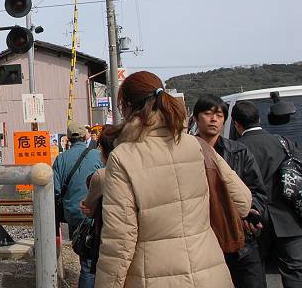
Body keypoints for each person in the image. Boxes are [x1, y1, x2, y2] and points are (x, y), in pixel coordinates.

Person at [95, 71, 252, 288]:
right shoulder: (196, 145)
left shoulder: (123, 158)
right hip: (210, 273)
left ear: (127, 107)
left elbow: (119, 240)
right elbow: (243, 202)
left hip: (153, 276)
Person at [193, 95, 268, 288]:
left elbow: (258, 191)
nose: (213, 119)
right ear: (195, 118)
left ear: (225, 120)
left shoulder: (238, 151)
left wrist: (252, 214)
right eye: (207, 113)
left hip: (242, 242)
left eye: (218, 114)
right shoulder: (186, 154)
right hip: (203, 242)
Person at [233, 101, 302, 287]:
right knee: (294, 270)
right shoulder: (283, 142)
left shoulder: (236, 149)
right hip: (288, 218)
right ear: (259, 119)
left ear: (236, 124)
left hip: (254, 220)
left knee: (255, 270)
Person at [53, 121, 103, 288]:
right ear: (85, 136)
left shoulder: (60, 159)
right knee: (95, 262)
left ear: (68, 139)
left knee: (86, 260)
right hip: (95, 215)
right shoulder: (96, 155)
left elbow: (56, 190)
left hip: (73, 215)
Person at [79, 127, 117, 276]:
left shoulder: (101, 176)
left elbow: (88, 208)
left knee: (95, 271)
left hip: (106, 234)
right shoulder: (137, 170)